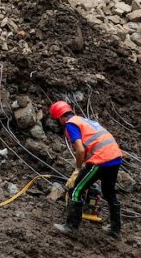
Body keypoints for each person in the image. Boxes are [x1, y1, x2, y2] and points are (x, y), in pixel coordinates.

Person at [49, 101, 123, 238]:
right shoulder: (84, 120)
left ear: (60, 118)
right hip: (115, 157)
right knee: (109, 193)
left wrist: (77, 169)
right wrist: (85, 164)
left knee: (76, 190)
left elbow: (80, 150)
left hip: (101, 159)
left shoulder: (70, 124)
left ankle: (70, 227)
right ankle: (115, 229)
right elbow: (91, 147)